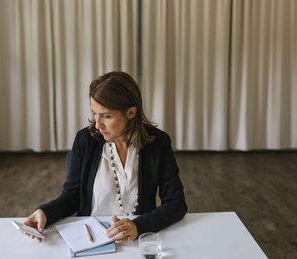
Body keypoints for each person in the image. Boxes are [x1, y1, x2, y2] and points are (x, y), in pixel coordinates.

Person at [24, 71, 187, 243]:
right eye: (95, 113)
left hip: (136, 240)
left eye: (106, 116)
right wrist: (44, 212)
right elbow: (71, 197)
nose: (98, 124)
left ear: (131, 113)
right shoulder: (84, 141)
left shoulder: (158, 143)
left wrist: (139, 227)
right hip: (90, 240)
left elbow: (176, 204)